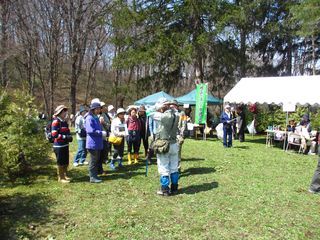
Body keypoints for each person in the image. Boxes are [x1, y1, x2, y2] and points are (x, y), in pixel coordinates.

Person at [152, 98, 180, 196]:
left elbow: (149, 112)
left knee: (163, 167)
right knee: (174, 167)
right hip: (174, 144)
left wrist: (160, 107)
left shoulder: (161, 116)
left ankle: (165, 190)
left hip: (164, 144)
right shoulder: (177, 114)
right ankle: (175, 188)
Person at [51, 105, 73, 183]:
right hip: (59, 146)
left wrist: (69, 136)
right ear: (60, 112)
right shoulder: (56, 121)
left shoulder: (64, 122)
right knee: (60, 162)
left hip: (65, 145)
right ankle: (61, 178)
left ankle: (65, 175)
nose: (65, 113)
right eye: (64, 111)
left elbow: (67, 131)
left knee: (65, 161)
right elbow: (54, 134)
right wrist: (65, 137)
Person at [85, 102, 106, 183]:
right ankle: (92, 177)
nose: (98, 110)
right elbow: (90, 131)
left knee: (96, 159)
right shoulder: (89, 118)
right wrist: (101, 133)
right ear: (93, 109)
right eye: (96, 109)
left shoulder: (96, 117)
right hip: (92, 143)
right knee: (93, 160)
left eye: (99, 109)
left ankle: (95, 174)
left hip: (97, 142)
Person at [99, 102, 112, 166]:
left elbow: (108, 123)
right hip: (99, 134)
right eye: (103, 107)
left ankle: (105, 158)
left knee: (106, 146)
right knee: (102, 147)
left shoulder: (105, 114)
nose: (105, 108)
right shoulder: (98, 115)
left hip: (105, 132)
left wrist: (105, 124)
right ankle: (103, 159)